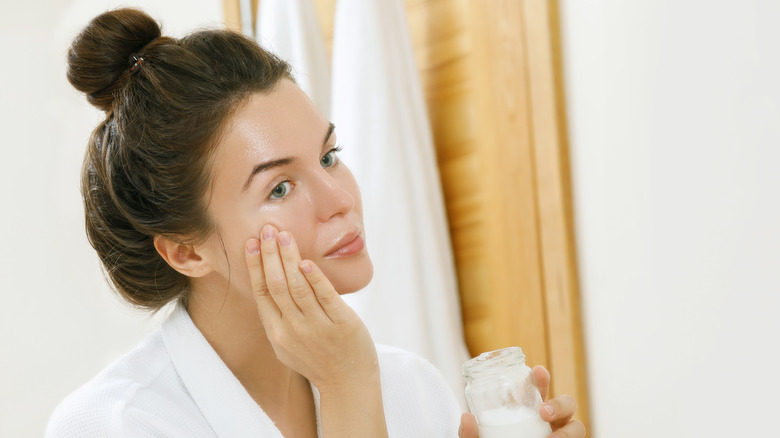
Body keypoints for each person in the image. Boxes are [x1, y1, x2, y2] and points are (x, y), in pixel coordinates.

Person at [47, 8, 586, 438]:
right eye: (279, 187)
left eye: (329, 156)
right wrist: (347, 390)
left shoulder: (413, 389)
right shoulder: (117, 425)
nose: (340, 197)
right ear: (187, 251)